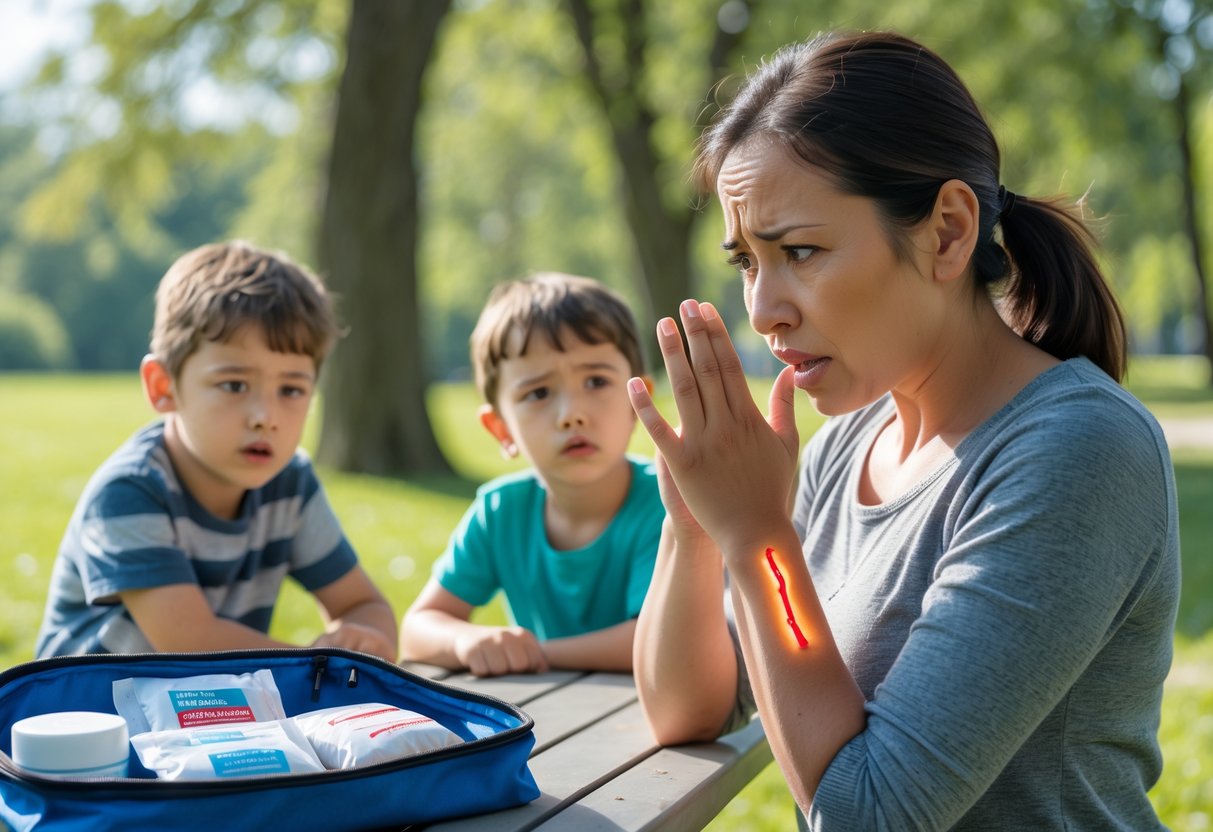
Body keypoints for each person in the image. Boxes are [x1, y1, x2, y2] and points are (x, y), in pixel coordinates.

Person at [625, 32, 1180, 831]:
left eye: (800, 250)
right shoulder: (845, 446)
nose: (761, 308)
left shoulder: (1078, 450)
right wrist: (698, 525)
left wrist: (758, 539)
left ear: (948, 232)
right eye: (745, 261)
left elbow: (870, 816)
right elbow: (688, 709)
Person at [36, 241, 398, 662]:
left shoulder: (290, 485)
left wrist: (363, 640)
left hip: (200, 710)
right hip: (94, 712)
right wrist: (319, 666)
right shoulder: (131, 490)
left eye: (291, 390)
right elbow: (189, 642)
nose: (265, 416)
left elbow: (365, 606)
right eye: (234, 385)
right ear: (163, 386)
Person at [399, 273, 663, 677]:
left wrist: (535, 652)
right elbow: (418, 628)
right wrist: (464, 640)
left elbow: (655, 641)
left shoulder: (665, 504)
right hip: (545, 719)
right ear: (501, 429)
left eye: (596, 381)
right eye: (538, 393)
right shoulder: (502, 511)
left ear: (637, 402)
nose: (572, 413)